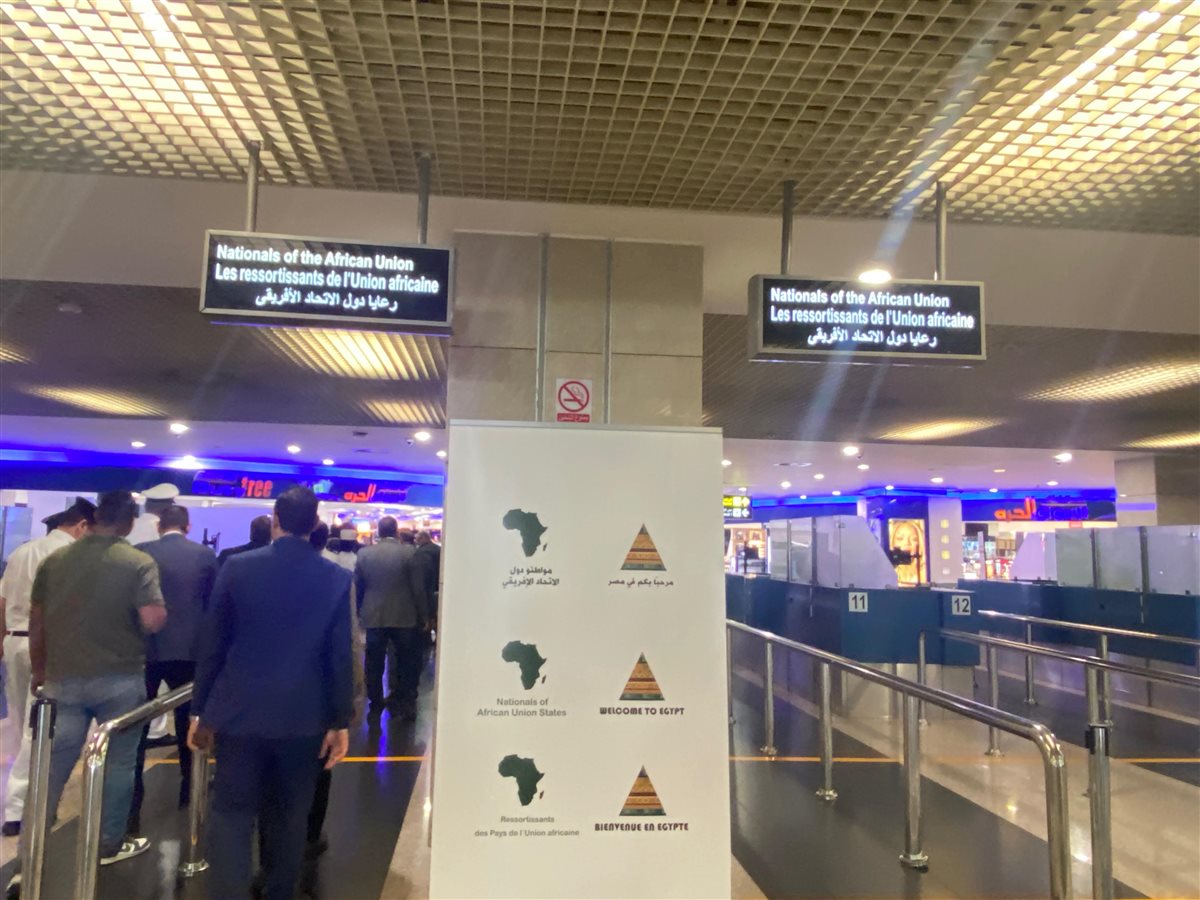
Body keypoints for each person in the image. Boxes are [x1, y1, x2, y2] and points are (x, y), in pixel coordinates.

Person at [191, 486, 352, 900]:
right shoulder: (335, 578)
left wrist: (200, 710)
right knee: (290, 815)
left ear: (275, 518)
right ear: (315, 524)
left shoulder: (237, 567)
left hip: (238, 711)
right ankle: (279, 890)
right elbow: (338, 656)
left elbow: (213, 644)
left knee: (232, 813)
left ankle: (229, 892)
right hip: (304, 717)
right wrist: (339, 721)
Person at [11, 490, 166, 898]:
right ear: (129, 523)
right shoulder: (137, 562)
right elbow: (152, 619)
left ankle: (31, 852)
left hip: (63, 678)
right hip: (121, 679)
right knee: (117, 764)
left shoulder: (56, 561)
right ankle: (108, 844)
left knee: (50, 769)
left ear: (95, 518)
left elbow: (37, 621)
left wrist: (40, 669)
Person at [0, 497, 95, 836]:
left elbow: (2, 602)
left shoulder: (22, 551)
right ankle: (20, 807)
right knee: (38, 725)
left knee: (18, 720)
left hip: (14, 641)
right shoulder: (69, 556)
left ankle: (18, 794)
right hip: (46, 645)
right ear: (81, 526)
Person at [127, 504, 217, 831]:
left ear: (159, 526)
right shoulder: (204, 556)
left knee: (137, 723)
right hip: (190, 651)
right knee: (188, 721)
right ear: (188, 526)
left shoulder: (140, 553)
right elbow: (212, 604)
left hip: (147, 649)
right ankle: (189, 787)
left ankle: (132, 794)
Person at [355, 519, 430, 721]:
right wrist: (424, 615)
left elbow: (359, 586)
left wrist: (359, 611)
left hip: (374, 615)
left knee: (374, 661)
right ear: (396, 531)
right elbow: (418, 588)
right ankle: (403, 700)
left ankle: (375, 702)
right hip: (404, 615)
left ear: (378, 532)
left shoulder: (364, 554)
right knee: (405, 660)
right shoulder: (410, 553)